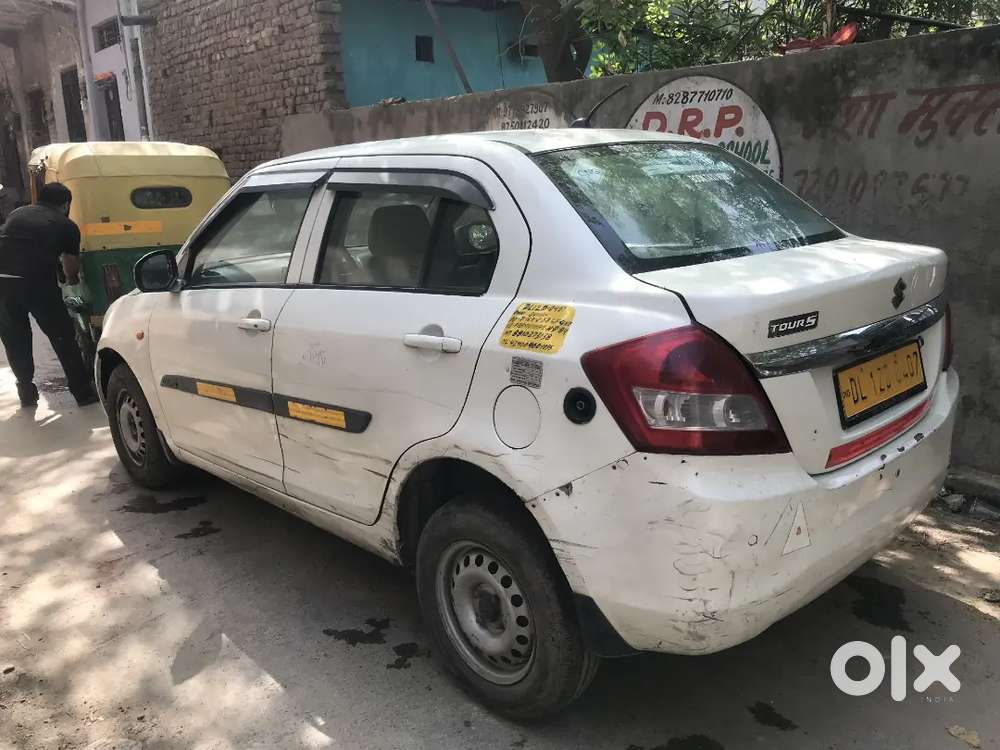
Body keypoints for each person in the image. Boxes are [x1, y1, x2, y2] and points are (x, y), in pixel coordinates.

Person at [0, 182, 99, 407]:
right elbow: (71, 267)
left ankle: (25, 389)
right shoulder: (66, 225)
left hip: (3, 283)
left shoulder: (18, 213)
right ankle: (83, 393)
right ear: (65, 204)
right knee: (63, 336)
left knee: (15, 340)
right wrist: (71, 284)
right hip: (36, 283)